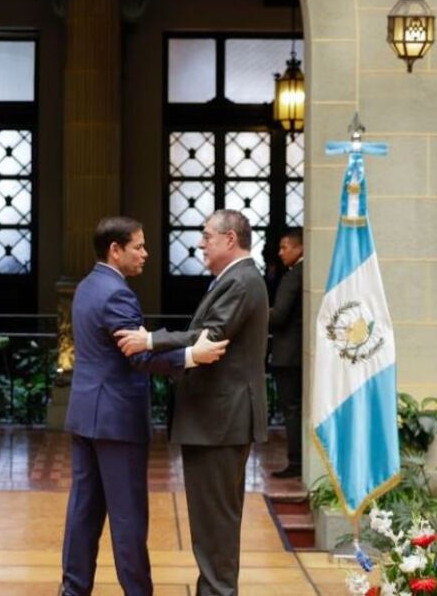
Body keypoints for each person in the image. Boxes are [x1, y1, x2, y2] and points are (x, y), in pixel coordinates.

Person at [60, 216, 229, 596]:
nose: (145, 254)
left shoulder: (88, 285)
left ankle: (72, 591)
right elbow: (136, 355)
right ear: (114, 250)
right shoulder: (117, 293)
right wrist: (191, 355)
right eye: (138, 246)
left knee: (83, 514)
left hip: (87, 416)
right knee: (128, 519)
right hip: (117, 421)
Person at [114, 209, 269, 596]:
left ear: (230, 239)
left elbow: (209, 338)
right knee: (212, 523)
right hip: (218, 421)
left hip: (220, 422)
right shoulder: (235, 279)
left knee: (214, 524)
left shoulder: (241, 280)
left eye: (207, 236)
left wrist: (149, 340)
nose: (201, 243)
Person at [269, 228, 304, 479]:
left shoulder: (293, 276)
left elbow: (279, 315)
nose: (280, 253)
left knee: (291, 408)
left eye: (285, 247)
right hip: (298, 353)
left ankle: (295, 460)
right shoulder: (306, 273)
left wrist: (256, 312)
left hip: (288, 354)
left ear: (299, 247)